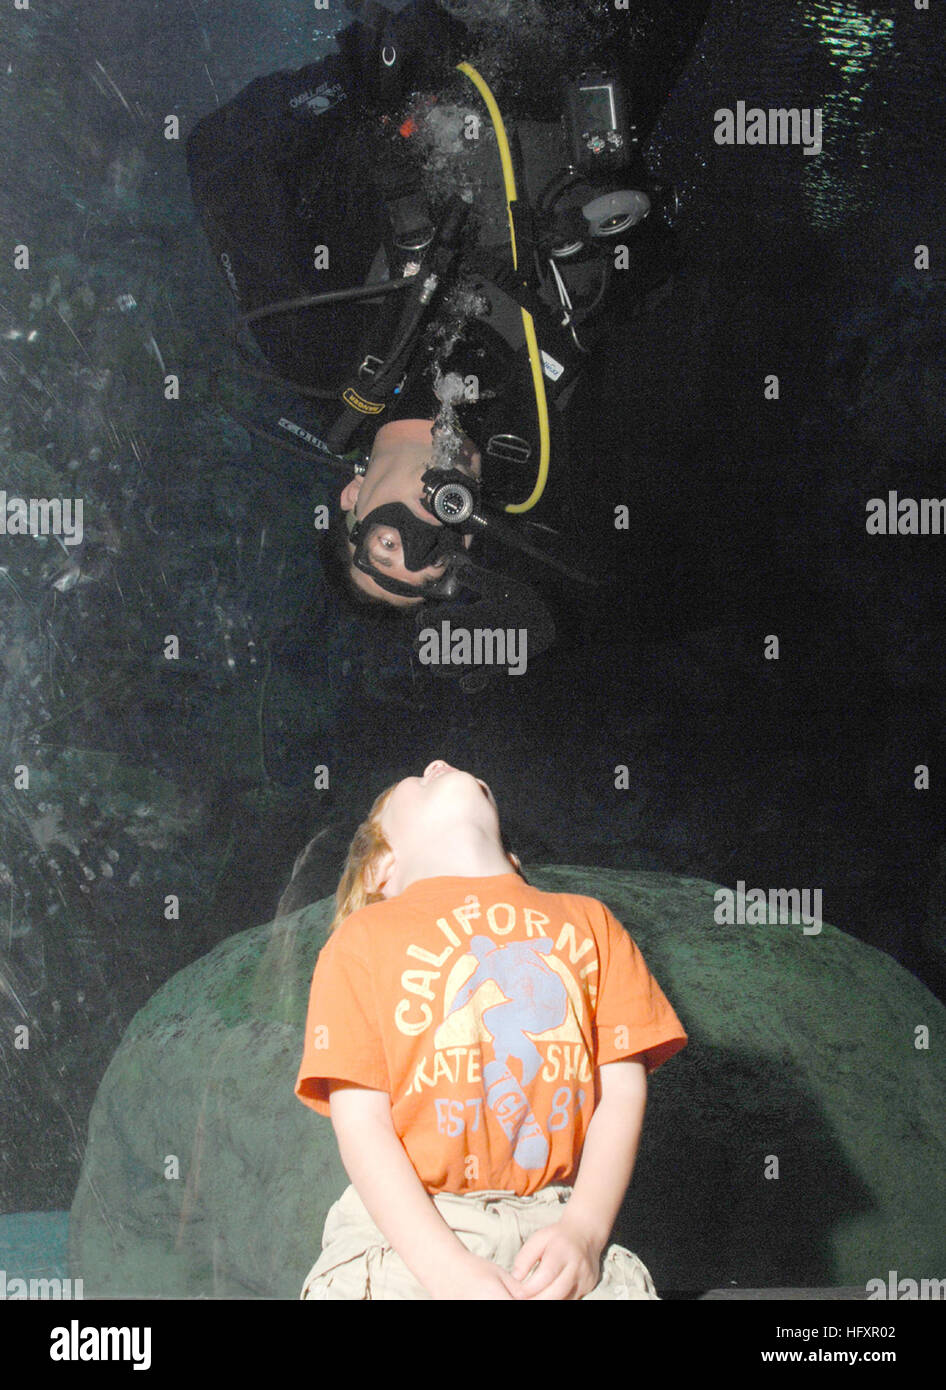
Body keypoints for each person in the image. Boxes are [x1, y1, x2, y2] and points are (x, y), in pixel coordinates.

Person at [186, 0, 712, 611]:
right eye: (433, 561)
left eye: (386, 545)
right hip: (597, 63)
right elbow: (669, 275)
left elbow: (217, 156)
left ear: (352, 498)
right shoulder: (540, 449)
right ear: (465, 535)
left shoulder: (324, 359)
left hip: (456, 34)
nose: (422, 530)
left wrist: (356, 78)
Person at [294, 758, 688, 1299]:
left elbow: (621, 1091)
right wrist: (443, 1267)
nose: (438, 764)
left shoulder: (591, 922)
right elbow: (361, 1125)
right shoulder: (359, 940)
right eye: (420, 779)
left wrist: (586, 1233)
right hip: (409, 1234)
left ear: (513, 859)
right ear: (380, 868)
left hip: (555, 1228)